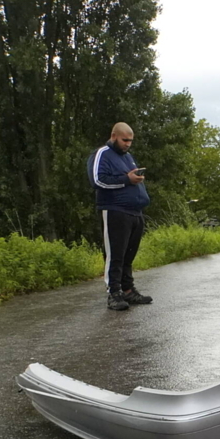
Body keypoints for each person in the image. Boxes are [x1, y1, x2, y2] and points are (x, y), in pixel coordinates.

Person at [87, 122, 153, 311]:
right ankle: (113, 293)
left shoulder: (128, 157)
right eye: (125, 140)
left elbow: (130, 179)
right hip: (115, 210)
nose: (128, 144)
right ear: (114, 136)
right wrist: (127, 180)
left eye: (130, 141)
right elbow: (98, 180)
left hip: (135, 211)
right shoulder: (102, 154)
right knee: (115, 254)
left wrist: (136, 179)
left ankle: (128, 290)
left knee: (128, 254)